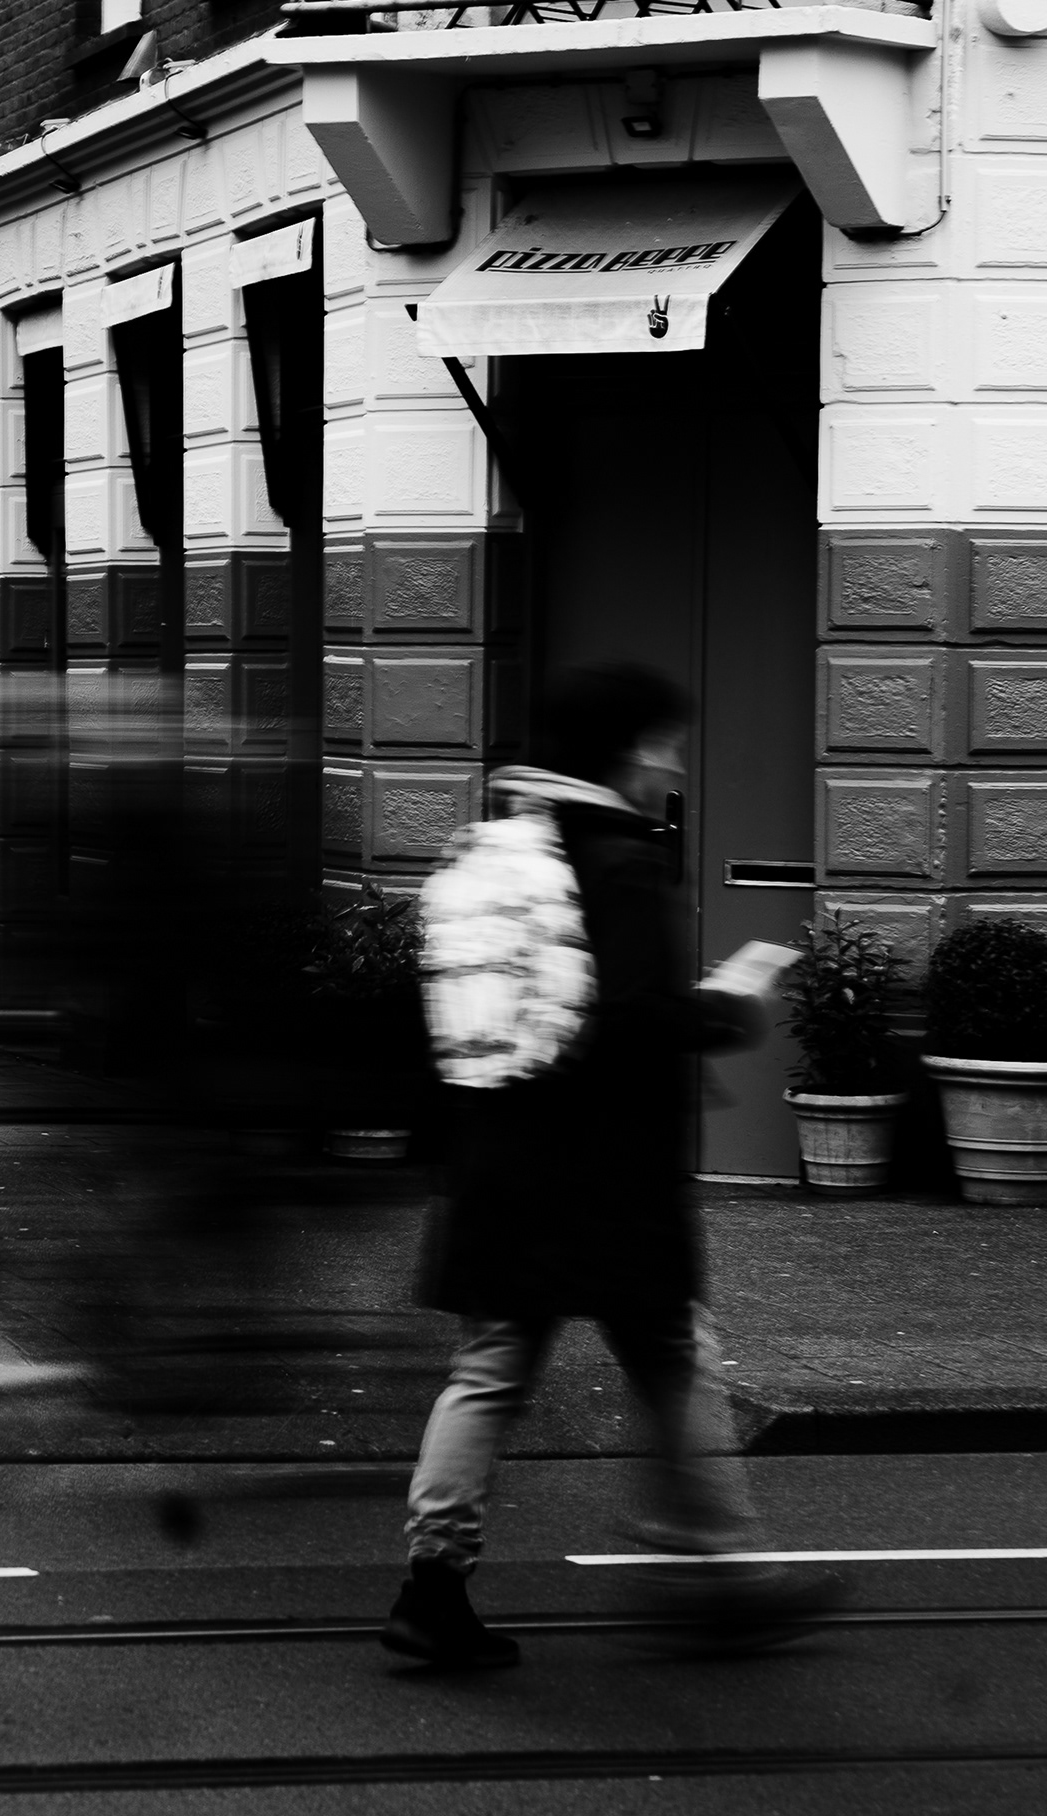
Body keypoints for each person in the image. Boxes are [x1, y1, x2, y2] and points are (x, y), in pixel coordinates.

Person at [383, 662, 825, 1669]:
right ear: (624, 750)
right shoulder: (620, 861)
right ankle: (725, 1569)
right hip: (601, 1176)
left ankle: (432, 1586)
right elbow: (626, 1019)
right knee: (674, 1358)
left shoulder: (501, 849)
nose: (672, 764)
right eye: (663, 743)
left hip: (501, 1159)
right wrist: (731, 1004)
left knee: (489, 1374)